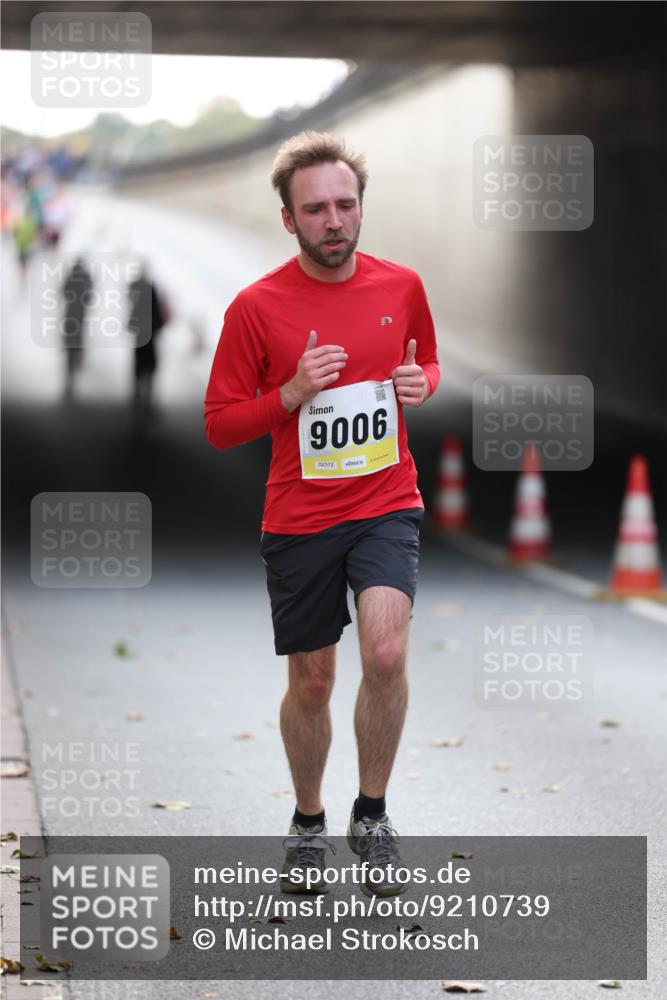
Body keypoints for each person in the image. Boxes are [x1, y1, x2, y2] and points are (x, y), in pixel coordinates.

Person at [205, 131, 440, 897]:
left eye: (345, 204)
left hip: (385, 501)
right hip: (300, 516)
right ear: (289, 220)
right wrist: (291, 394)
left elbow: (426, 359)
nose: (334, 220)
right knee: (311, 683)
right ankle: (307, 821)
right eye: (315, 210)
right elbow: (219, 423)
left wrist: (420, 383)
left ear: (360, 206)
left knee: (385, 653)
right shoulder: (256, 308)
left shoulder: (400, 285)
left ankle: (370, 813)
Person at [127, 267, 169, 409]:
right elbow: (159, 316)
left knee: (140, 365)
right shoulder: (150, 293)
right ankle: (146, 395)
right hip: (150, 337)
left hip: (142, 337)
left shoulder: (139, 295)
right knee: (149, 367)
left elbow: (133, 313)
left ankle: (139, 393)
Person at [61, 257, 92, 399]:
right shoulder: (86, 276)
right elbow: (90, 295)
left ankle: (71, 364)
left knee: (70, 338)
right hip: (80, 313)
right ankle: (78, 357)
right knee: (78, 336)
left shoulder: (71, 275)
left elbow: (63, 291)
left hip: (70, 313)